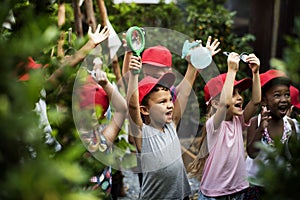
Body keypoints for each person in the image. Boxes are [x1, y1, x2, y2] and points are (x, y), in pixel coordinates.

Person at [126, 47, 202, 199]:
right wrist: (134, 76)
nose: (170, 105)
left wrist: (192, 65)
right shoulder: (143, 134)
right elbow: (132, 106)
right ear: (145, 110)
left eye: (169, 100)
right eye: (162, 102)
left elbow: (185, 92)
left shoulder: (171, 125)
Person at [195, 52, 261, 199]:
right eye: (233, 93)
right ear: (215, 103)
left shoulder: (238, 121)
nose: (240, 97)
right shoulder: (214, 124)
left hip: (238, 191)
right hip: (214, 194)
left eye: (239, 93)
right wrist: (231, 71)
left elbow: (256, 101)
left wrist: (256, 73)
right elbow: (224, 105)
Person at [245, 69, 298, 199]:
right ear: (264, 101)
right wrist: (261, 129)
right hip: (256, 184)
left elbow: (293, 155)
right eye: (277, 95)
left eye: (287, 94)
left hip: (278, 185)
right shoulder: (255, 122)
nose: (284, 99)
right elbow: (252, 153)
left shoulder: (290, 124)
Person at [75, 66, 127, 198]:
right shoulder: (102, 140)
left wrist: (106, 84)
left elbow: (122, 109)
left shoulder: (100, 139)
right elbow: (121, 110)